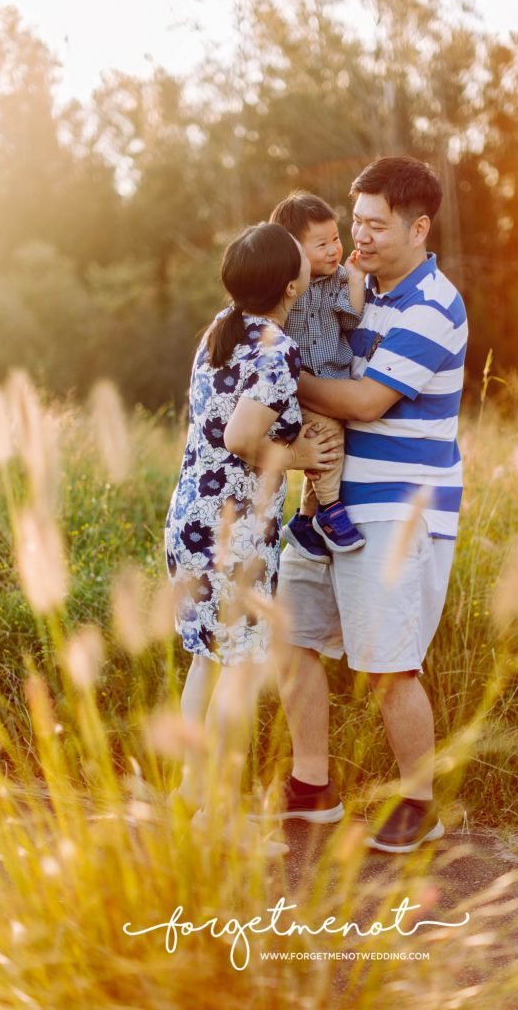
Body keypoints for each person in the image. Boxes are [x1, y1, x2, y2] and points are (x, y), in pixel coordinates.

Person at [256, 156, 468, 853]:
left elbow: (366, 400)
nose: (362, 237)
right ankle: (311, 786)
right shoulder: (355, 290)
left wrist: (285, 374)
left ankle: (418, 802)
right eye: (357, 223)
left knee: (386, 664)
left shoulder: (434, 305)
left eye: (377, 226)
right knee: (290, 638)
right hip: (327, 508)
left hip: (396, 512)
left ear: (418, 226)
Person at [164, 222, 341, 852]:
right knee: (234, 671)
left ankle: (190, 798)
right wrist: (299, 461)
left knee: (208, 664)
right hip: (232, 532)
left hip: (191, 517)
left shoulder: (223, 327)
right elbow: (242, 438)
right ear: (292, 283)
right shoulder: (275, 350)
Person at [269, 191, 366, 560]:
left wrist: (356, 280)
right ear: (293, 249)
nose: (333, 250)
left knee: (326, 439)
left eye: (336, 239)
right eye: (321, 244)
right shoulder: (287, 286)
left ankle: (303, 520)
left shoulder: (340, 278)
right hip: (301, 388)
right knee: (326, 438)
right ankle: (329, 510)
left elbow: (350, 318)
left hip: (334, 380)